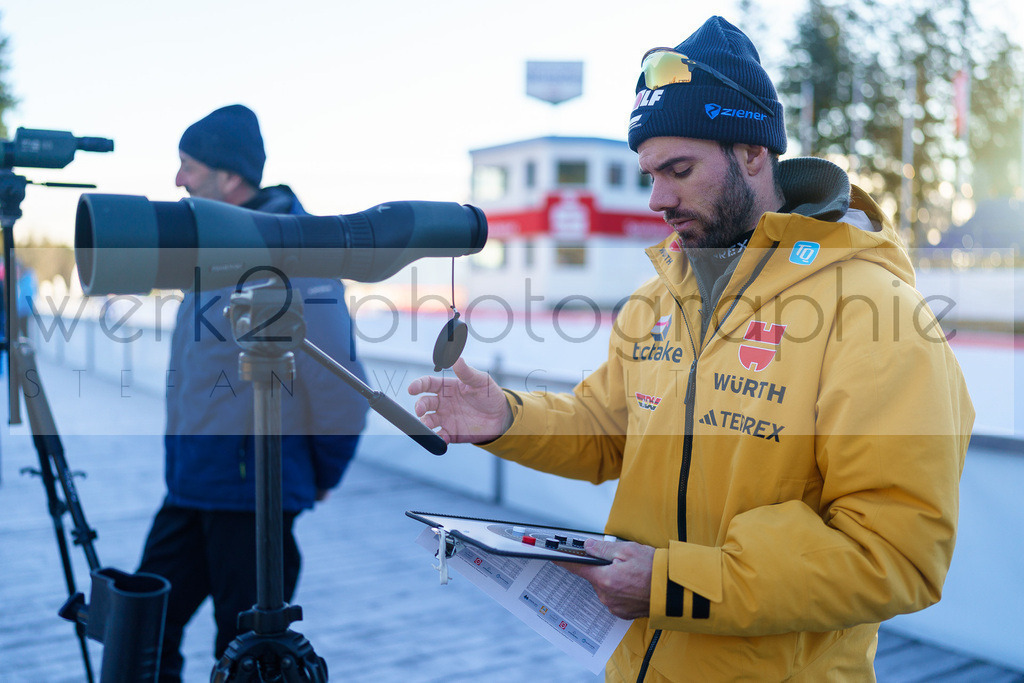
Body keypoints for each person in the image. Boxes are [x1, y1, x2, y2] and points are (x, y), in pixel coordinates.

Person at [409, 17, 974, 682]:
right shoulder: (658, 299)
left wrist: (674, 583)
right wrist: (506, 417)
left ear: (754, 153)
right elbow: (608, 430)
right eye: (649, 173)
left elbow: (896, 552)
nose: (658, 199)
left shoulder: (876, 313)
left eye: (679, 170)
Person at [137, 104, 368, 681]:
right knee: (139, 631)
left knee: (247, 658)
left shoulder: (296, 252)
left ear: (230, 176)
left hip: (252, 499)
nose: (178, 180)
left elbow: (341, 384)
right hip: (191, 486)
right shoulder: (213, 248)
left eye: (189, 166)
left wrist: (322, 474)